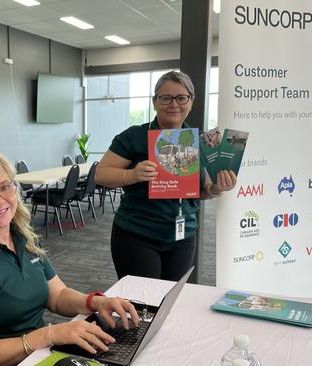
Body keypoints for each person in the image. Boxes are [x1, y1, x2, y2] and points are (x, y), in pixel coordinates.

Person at [0, 149, 140, 366]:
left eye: (4, 187)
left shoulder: (21, 237)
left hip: (39, 354)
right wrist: (49, 335)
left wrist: (95, 302)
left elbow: (57, 295)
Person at [95, 71, 237, 281]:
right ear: (154, 102)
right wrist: (132, 175)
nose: (174, 104)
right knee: (143, 306)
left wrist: (215, 189)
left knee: (170, 302)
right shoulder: (134, 136)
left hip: (183, 236)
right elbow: (99, 174)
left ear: (191, 101)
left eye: (181, 98)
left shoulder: (201, 142)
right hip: (137, 235)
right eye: (165, 98)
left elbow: (202, 191)